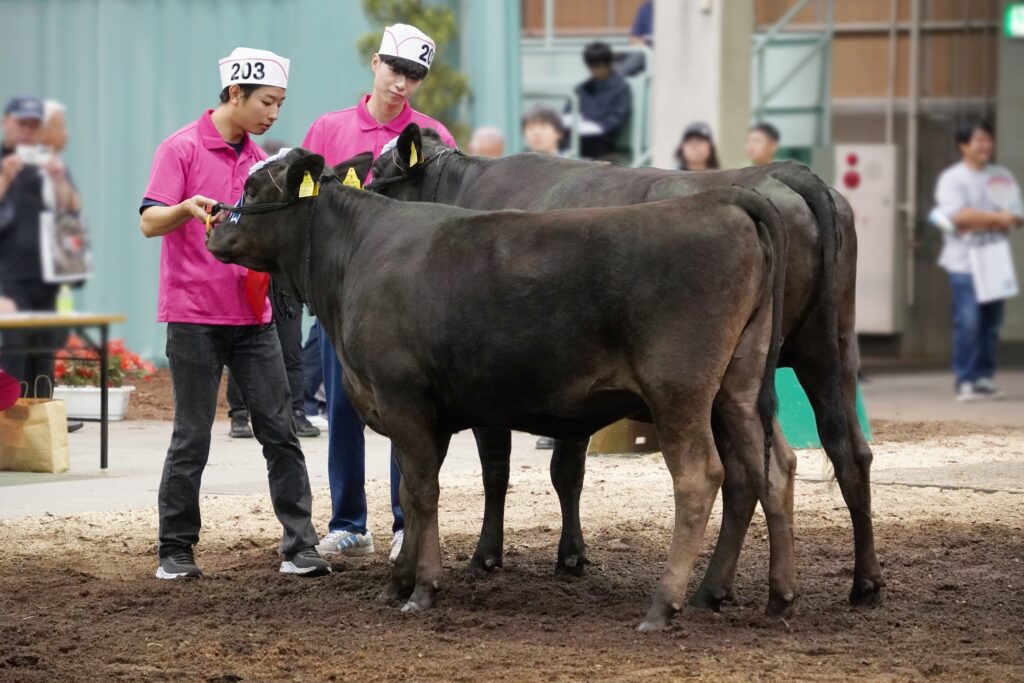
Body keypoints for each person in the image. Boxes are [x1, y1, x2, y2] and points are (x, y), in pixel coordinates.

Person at [139, 47, 330, 580]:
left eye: (281, 103)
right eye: (267, 102)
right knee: (192, 436)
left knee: (281, 431)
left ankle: (300, 546)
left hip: (254, 317)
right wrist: (184, 208)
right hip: (194, 315)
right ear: (234, 94)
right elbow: (149, 222)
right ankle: (175, 551)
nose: (274, 114)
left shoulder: (261, 164)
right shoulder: (179, 149)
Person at [301, 24, 457, 562]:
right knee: (343, 406)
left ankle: (403, 521)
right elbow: (307, 213)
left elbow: (449, 220)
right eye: (395, 69)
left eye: (414, 75)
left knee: (406, 410)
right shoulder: (328, 130)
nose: (402, 83)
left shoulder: (433, 138)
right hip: (341, 297)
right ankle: (349, 522)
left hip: (406, 302)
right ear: (375, 63)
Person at [225, 136, 320, 441]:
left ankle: (297, 410)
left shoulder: (297, 201)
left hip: (284, 281)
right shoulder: (250, 198)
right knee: (242, 346)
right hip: (252, 277)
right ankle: (239, 415)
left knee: (291, 348)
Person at [0, 96, 82, 432]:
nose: (28, 132)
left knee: (43, 353)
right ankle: (8, 428)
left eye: (35, 125)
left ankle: (40, 426)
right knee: (11, 356)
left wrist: (60, 180)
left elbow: (71, 213)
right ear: (7, 122)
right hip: (7, 283)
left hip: (44, 280)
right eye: (22, 124)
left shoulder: (45, 165)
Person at [933, 120, 1023, 402]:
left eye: (988, 140)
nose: (985, 146)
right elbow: (957, 217)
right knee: (968, 321)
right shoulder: (953, 178)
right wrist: (997, 218)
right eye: (979, 141)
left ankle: (984, 376)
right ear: (963, 145)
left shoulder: (1000, 176)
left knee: (991, 323)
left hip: (995, 259)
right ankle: (965, 379)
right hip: (964, 262)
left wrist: (979, 218)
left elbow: (1016, 216)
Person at [565, 42, 632, 160]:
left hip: (601, 142)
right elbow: (568, 113)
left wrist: (595, 127)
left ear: (608, 64)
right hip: (576, 137)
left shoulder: (620, 88)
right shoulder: (582, 89)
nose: (595, 71)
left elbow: (616, 118)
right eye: (591, 67)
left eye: (598, 66)